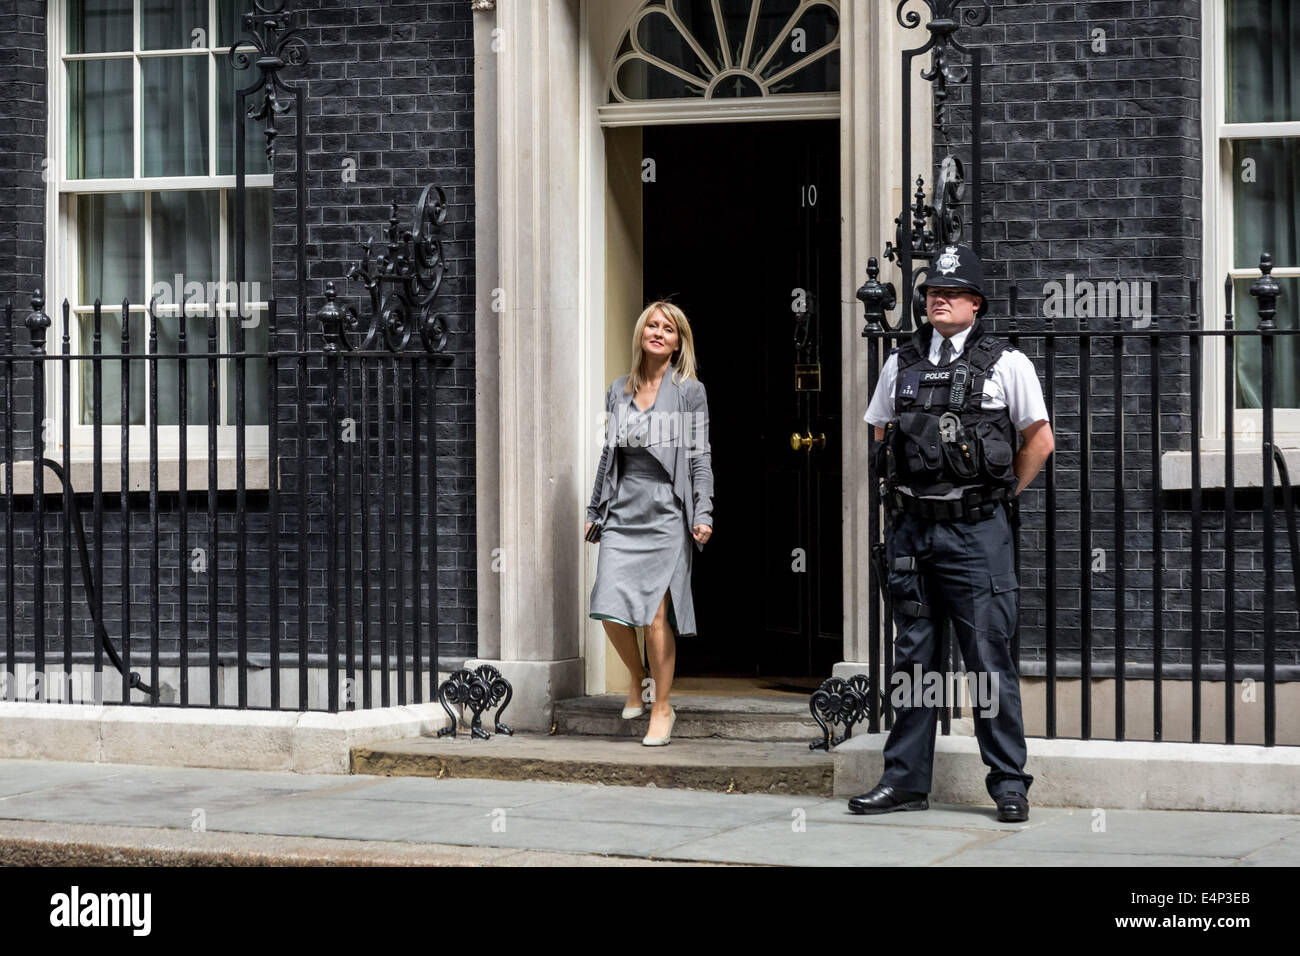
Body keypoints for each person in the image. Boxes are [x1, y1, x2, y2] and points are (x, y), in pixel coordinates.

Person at [852, 244, 1054, 822]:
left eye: (951, 293)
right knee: (913, 661)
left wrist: (996, 497)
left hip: (976, 534)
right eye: (932, 293)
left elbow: (1039, 441)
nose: (939, 300)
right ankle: (905, 781)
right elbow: (879, 433)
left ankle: (1009, 784)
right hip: (914, 534)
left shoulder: (1006, 363)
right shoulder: (902, 361)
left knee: (988, 659)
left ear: (974, 303)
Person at [586, 301, 714, 747]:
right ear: (642, 333)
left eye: (669, 328)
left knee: (657, 616)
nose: (659, 332)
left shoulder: (689, 391)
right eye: (653, 325)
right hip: (623, 510)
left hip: (665, 511)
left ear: (679, 342)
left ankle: (662, 706)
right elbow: (608, 455)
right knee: (606, 603)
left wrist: (703, 512)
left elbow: (699, 458)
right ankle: (637, 675)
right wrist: (594, 510)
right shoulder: (617, 390)